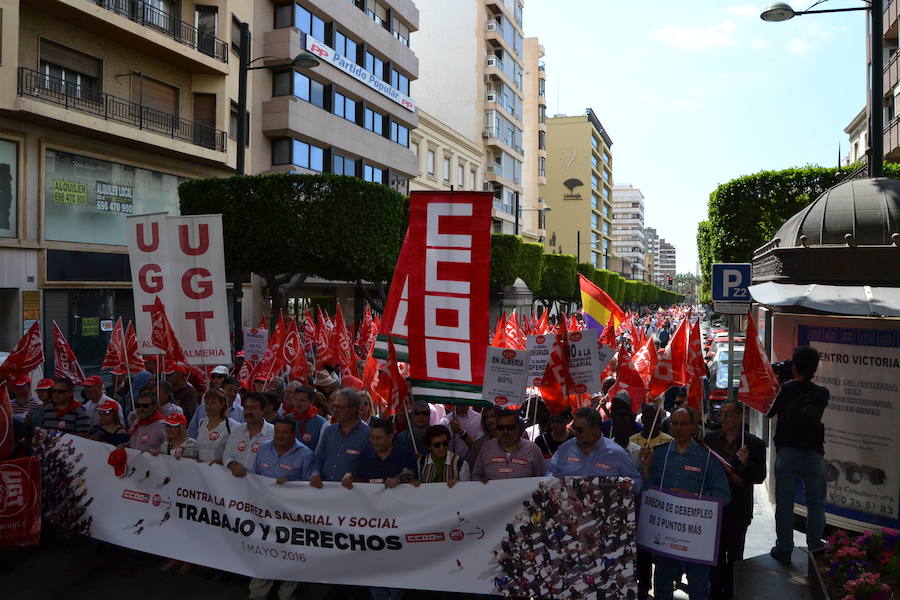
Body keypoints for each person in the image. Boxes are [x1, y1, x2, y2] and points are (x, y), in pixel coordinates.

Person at [640, 407, 731, 600]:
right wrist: (646, 468)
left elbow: (724, 494)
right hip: (666, 534)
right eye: (674, 423)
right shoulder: (659, 454)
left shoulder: (707, 457)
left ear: (693, 426)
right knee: (662, 586)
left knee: (699, 589)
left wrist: (695, 497)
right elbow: (646, 489)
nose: (678, 428)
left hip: (696, 536)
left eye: (683, 424)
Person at [766, 346, 829, 564]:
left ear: (794, 366)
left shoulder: (786, 389)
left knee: (784, 504)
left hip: (788, 453)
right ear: (815, 368)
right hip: (814, 455)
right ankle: (815, 547)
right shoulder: (822, 393)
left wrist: (779, 383)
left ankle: (784, 548)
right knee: (816, 503)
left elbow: (770, 412)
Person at [246, 416, 314, 600]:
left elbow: (310, 488)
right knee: (264, 552)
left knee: (290, 556)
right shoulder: (263, 449)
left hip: (291, 515)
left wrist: (291, 483)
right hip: (265, 513)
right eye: (277, 432)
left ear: (293, 434)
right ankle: (257, 594)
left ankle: (287, 595)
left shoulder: (305, 454)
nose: (280, 436)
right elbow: (255, 477)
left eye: (285, 433)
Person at [706, 401, 767, 600]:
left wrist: (747, 462)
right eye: (721, 414)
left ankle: (732, 593)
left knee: (735, 556)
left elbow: (760, 477)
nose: (723, 418)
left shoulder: (754, 444)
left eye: (728, 414)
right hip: (715, 507)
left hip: (739, 509)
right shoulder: (710, 439)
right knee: (715, 555)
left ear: (740, 416)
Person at [546, 407, 643, 490]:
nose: (575, 432)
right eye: (574, 428)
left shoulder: (617, 453)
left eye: (579, 430)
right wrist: (552, 479)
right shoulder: (564, 449)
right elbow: (549, 473)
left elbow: (637, 481)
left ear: (595, 429)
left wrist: (627, 484)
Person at [309, 387, 372, 488]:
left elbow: (369, 466)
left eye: (340, 407)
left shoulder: (367, 434)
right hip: (325, 490)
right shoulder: (329, 431)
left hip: (351, 492)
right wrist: (315, 473)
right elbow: (319, 458)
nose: (335, 411)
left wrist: (354, 476)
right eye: (334, 406)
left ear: (353, 409)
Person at [472, 409, 545, 482]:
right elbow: (476, 475)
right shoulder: (486, 448)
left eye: (510, 427)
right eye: (501, 428)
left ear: (518, 428)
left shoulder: (533, 450)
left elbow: (541, 480)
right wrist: (481, 483)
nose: (505, 431)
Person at [349, 417, 417, 487]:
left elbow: (414, 479)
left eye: (379, 438)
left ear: (390, 437)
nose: (374, 442)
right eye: (372, 437)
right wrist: (349, 477)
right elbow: (358, 479)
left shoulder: (405, 457)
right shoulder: (364, 457)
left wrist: (399, 480)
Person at [223, 392, 274, 477]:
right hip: (234, 482)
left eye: (253, 408)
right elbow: (227, 455)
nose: (248, 412)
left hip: (262, 483)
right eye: (246, 407)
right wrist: (232, 464)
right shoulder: (237, 430)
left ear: (263, 411)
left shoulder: (273, 433)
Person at [196, 388, 238, 464]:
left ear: (222, 404)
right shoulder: (202, 423)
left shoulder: (231, 425)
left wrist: (222, 461)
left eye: (213, 403)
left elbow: (237, 453)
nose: (209, 406)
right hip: (201, 469)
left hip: (220, 470)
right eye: (206, 403)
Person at [291, 385, 326, 451]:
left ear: (311, 401)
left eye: (302, 401)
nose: (297, 404)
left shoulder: (321, 423)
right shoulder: (287, 419)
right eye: (295, 399)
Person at [466, 404, 501, 469]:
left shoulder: (510, 441)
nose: (489, 420)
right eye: (486, 418)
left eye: (493, 416)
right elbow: (470, 468)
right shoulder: (479, 444)